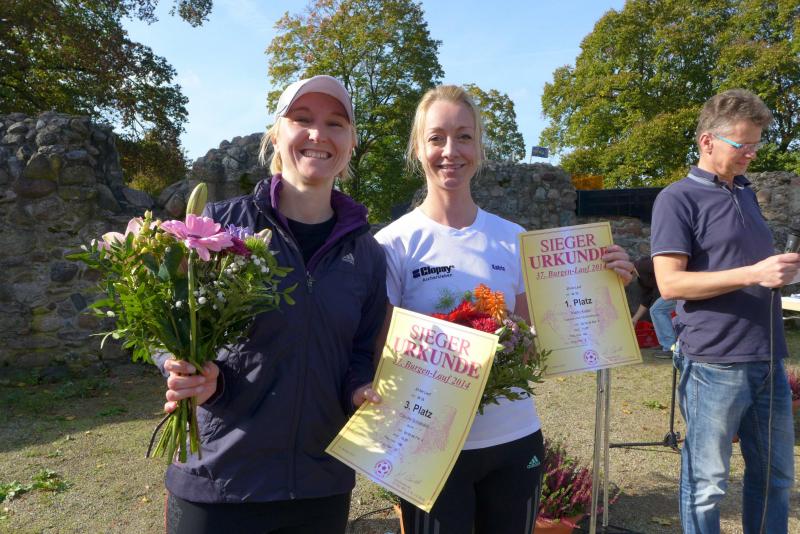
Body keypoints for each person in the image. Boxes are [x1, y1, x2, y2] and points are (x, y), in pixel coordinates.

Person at [375, 85, 636, 534]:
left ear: (479, 147)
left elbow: (539, 338)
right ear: (418, 148)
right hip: (429, 446)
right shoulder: (392, 244)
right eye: (436, 138)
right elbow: (383, 353)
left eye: (464, 137)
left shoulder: (514, 238)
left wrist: (604, 285)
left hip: (513, 439)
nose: (450, 151)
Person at [157, 75, 388, 534]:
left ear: (351, 142)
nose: (318, 134)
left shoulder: (366, 253)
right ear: (276, 135)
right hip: (219, 479)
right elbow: (163, 318)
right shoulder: (219, 227)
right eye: (302, 119)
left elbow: (361, 353)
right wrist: (178, 365)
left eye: (336, 123)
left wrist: (358, 392)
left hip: (320, 487)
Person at [651, 89, 798, 534]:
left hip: (768, 358)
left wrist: (780, 273)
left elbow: (747, 271)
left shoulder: (747, 194)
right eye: (743, 144)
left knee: (775, 479)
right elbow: (670, 284)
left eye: (756, 144)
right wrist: (754, 273)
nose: (751, 153)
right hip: (714, 363)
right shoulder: (677, 199)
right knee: (707, 485)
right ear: (707, 141)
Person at [631, 256, 676, 358]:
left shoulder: (642, 264)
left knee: (657, 310)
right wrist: (635, 319)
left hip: (676, 285)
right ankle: (667, 345)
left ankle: (670, 348)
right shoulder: (640, 279)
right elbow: (646, 300)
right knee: (656, 310)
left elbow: (663, 268)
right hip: (671, 289)